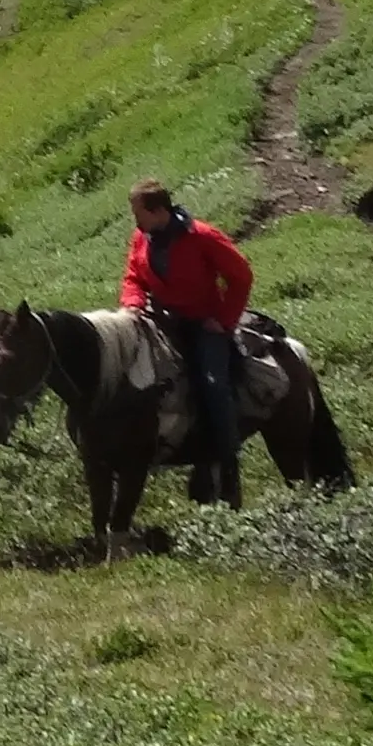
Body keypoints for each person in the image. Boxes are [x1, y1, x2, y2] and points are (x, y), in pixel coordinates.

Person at [121, 178, 252, 507]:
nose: (134, 220)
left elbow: (241, 276)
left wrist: (222, 320)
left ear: (159, 210)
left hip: (204, 326)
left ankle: (229, 466)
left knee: (213, 385)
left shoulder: (203, 237)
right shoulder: (142, 237)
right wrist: (133, 305)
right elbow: (133, 277)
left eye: (138, 212)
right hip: (163, 322)